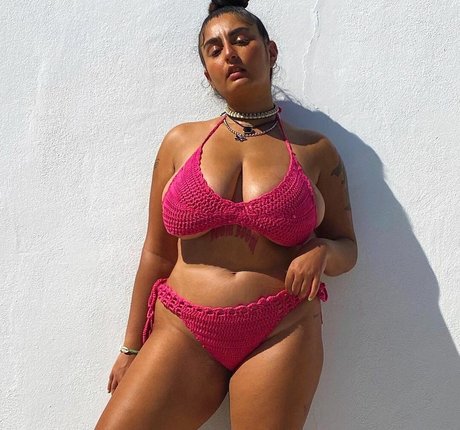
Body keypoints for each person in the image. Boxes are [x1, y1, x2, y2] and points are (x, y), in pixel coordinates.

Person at [95, 1, 357, 429]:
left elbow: (348, 247)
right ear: (207, 73)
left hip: (281, 329)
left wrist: (323, 251)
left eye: (241, 40)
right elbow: (157, 253)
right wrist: (130, 347)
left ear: (270, 51)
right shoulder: (180, 142)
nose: (229, 54)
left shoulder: (315, 151)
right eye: (214, 49)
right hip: (182, 329)